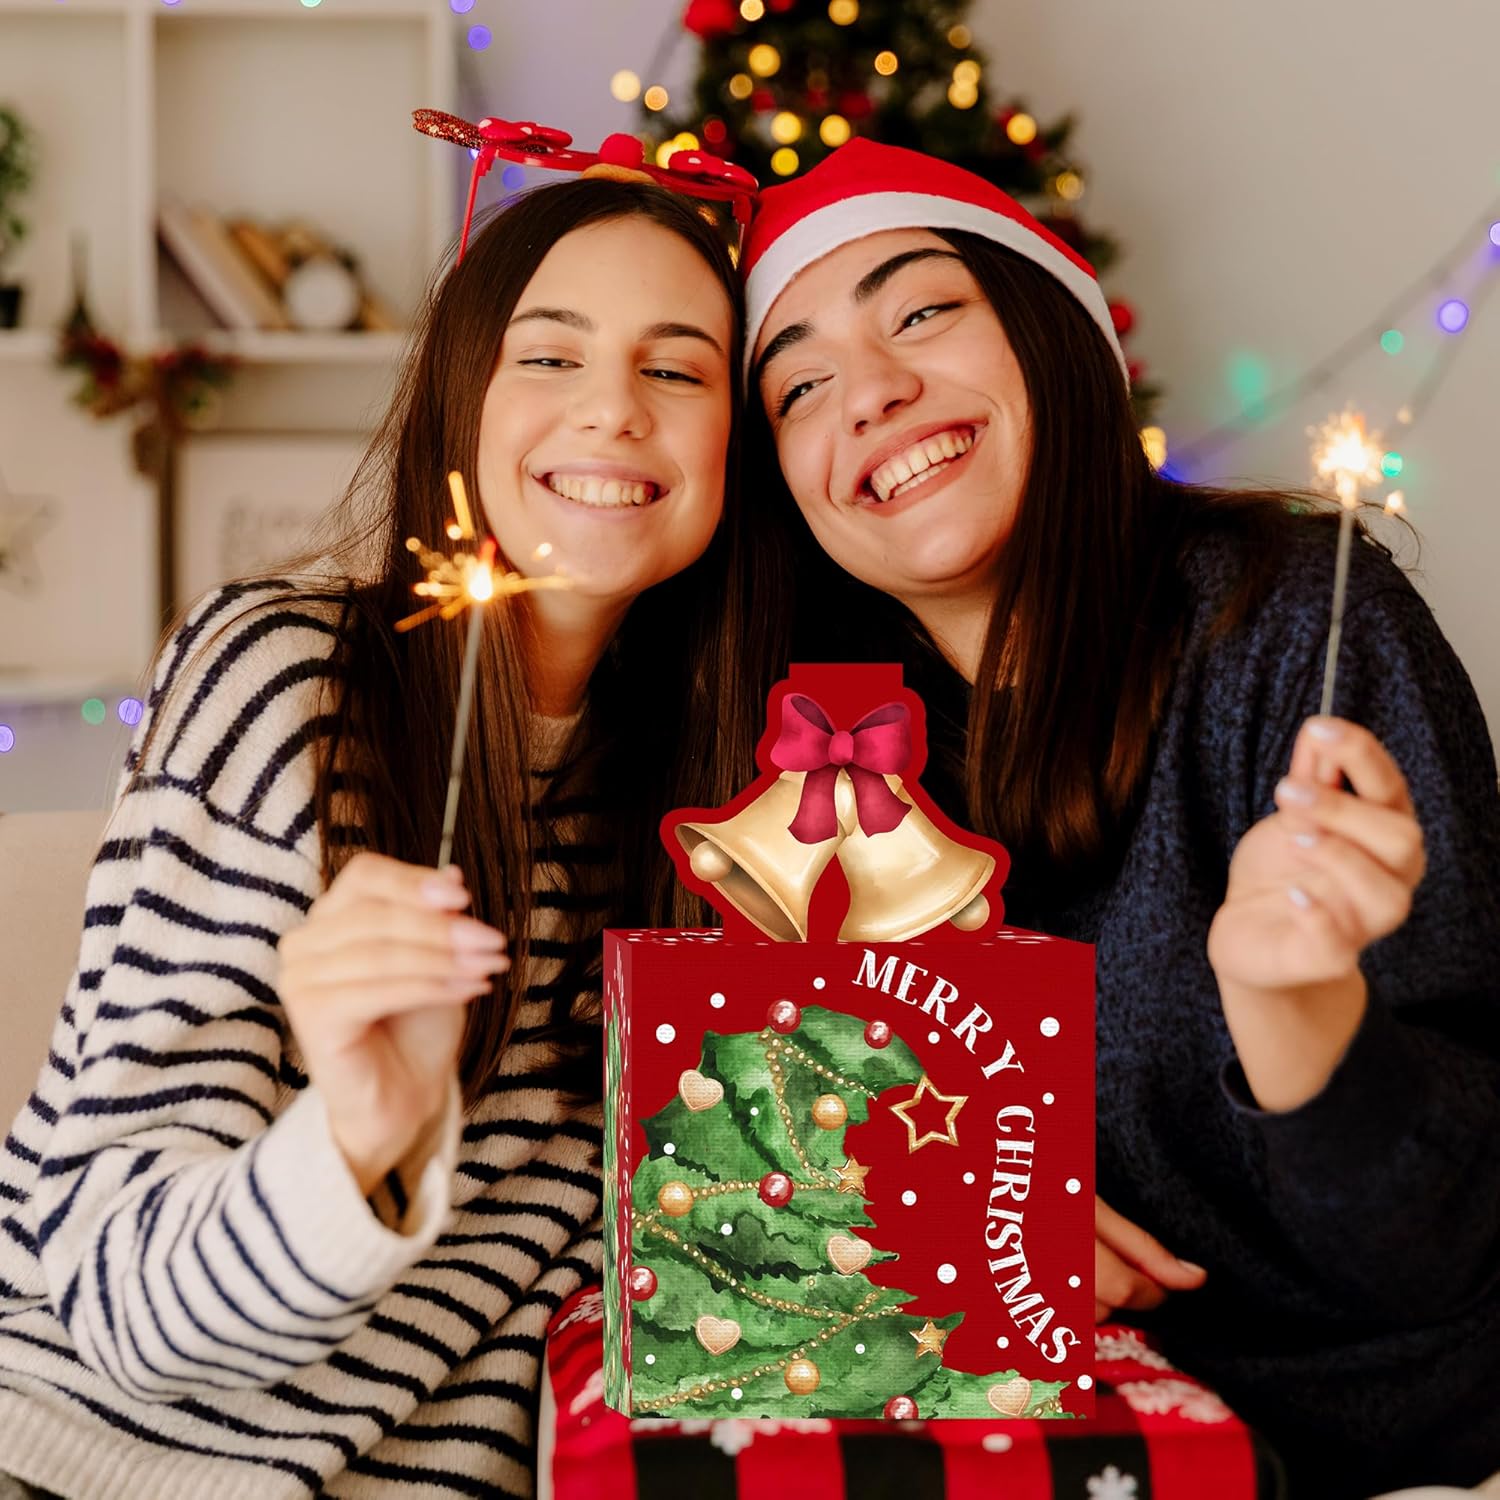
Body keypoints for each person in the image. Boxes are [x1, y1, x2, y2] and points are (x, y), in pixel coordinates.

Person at [739, 138, 1500, 1499]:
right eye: (800, 384)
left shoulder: (1295, 628)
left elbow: (1443, 1247)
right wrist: (949, 1208)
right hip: (1043, 1445)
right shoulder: (822, 759)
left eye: (919, 312)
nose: (874, 394)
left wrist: (1299, 1015)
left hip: (1389, 1449)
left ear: (1050, 334)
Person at [0, 169, 767, 1499]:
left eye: (679, 370)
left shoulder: (743, 798)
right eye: (548, 352)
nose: (610, 407)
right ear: (460, 395)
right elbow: (117, 1305)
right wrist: (353, 1142)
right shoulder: (285, 684)